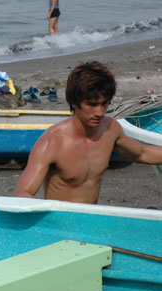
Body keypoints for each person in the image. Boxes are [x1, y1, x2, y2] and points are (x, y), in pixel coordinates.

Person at [13, 61, 162, 204]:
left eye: (104, 104)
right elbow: (23, 191)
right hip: (60, 225)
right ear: (73, 102)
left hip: (90, 222)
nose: (99, 112)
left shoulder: (110, 130)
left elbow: (142, 153)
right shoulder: (52, 143)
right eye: (92, 104)